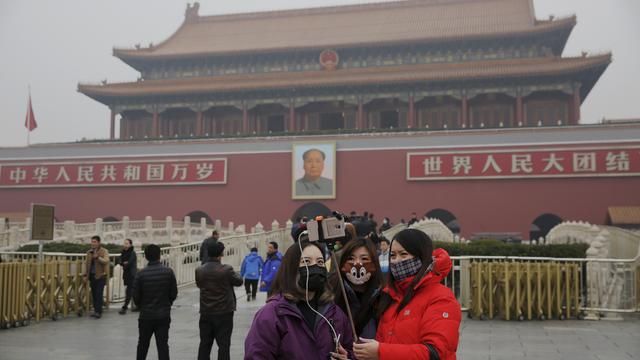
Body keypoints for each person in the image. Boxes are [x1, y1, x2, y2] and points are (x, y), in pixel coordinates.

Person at [353, 229, 461, 360]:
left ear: (422, 256)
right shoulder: (390, 295)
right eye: (392, 256)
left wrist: (381, 351)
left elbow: (436, 353)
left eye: (403, 254)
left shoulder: (441, 297)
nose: (396, 261)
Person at [244, 240, 354, 359]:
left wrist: (347, 357)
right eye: (306, 261)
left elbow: (350, 350)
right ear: (292, 267)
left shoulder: (335, 313)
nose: (315, 266)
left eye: (320, 262)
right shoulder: (272, 315)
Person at [196, 241, 244, 360]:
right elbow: (239, 281)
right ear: (221, 254)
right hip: (224, 311)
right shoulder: (226, 269)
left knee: (205, 343)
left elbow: (199, 284)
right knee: (224, 344)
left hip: (206, 311)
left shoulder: (199, 270)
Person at [133, 244, 178, 360]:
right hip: (163, 315)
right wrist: (167, 303)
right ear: (159, 255)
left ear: (146, 257)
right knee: (162, 345)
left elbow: (136, 297)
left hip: (145, 315)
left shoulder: (140, 274)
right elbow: (173, 293)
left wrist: (142, 306)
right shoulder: (168, 272)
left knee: (142, 344)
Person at [331, 237, 382, 339]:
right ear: (342, 264)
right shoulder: (331, 293)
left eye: (364, 259)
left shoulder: (384, 295)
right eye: (351, 258)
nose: (357, 263)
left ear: (374, 264)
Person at [83, 235, 109, 319]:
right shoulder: (89, 252)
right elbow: (87, 264)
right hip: (92, 275)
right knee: (94, 294)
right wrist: (85, 274)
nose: (93, 243)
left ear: (98, 242)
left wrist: (98, 257)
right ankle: (95, 311)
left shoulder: (104, 251)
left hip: (101, 275)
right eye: (92, 242)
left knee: (99, 294)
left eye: (94, 242)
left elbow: (106, 261)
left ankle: (99, 311)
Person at [119, 238, 138, 314]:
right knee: (132, 291)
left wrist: (124, 263)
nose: (125, 245)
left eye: (127, 244)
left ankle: (125, 307)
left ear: (130, 244)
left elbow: (130, 263)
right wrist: (124, 263)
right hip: (126, 274)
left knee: (129, 291)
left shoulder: (132, 253)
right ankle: (138, 305)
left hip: (132, 274)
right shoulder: (123, 252)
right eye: (125, 243)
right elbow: (120, 261)